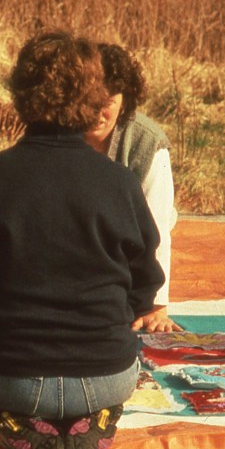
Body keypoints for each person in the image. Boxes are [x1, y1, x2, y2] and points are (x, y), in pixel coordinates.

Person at [0, 32, 164, 449]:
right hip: (106, 373)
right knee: (104, 386)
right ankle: (95, 417)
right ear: (93, 101)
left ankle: (4, 421)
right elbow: (146, 282)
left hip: (10, 372)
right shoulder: (119, 182)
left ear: (21, 96)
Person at [83, 43, 179, 333]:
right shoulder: (60, 130)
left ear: (124, 100)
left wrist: (156, 307)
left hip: (125, 268)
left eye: (108, 102)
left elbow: (157, 227)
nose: (98, 112)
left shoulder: (146, 143)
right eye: (89, 100)